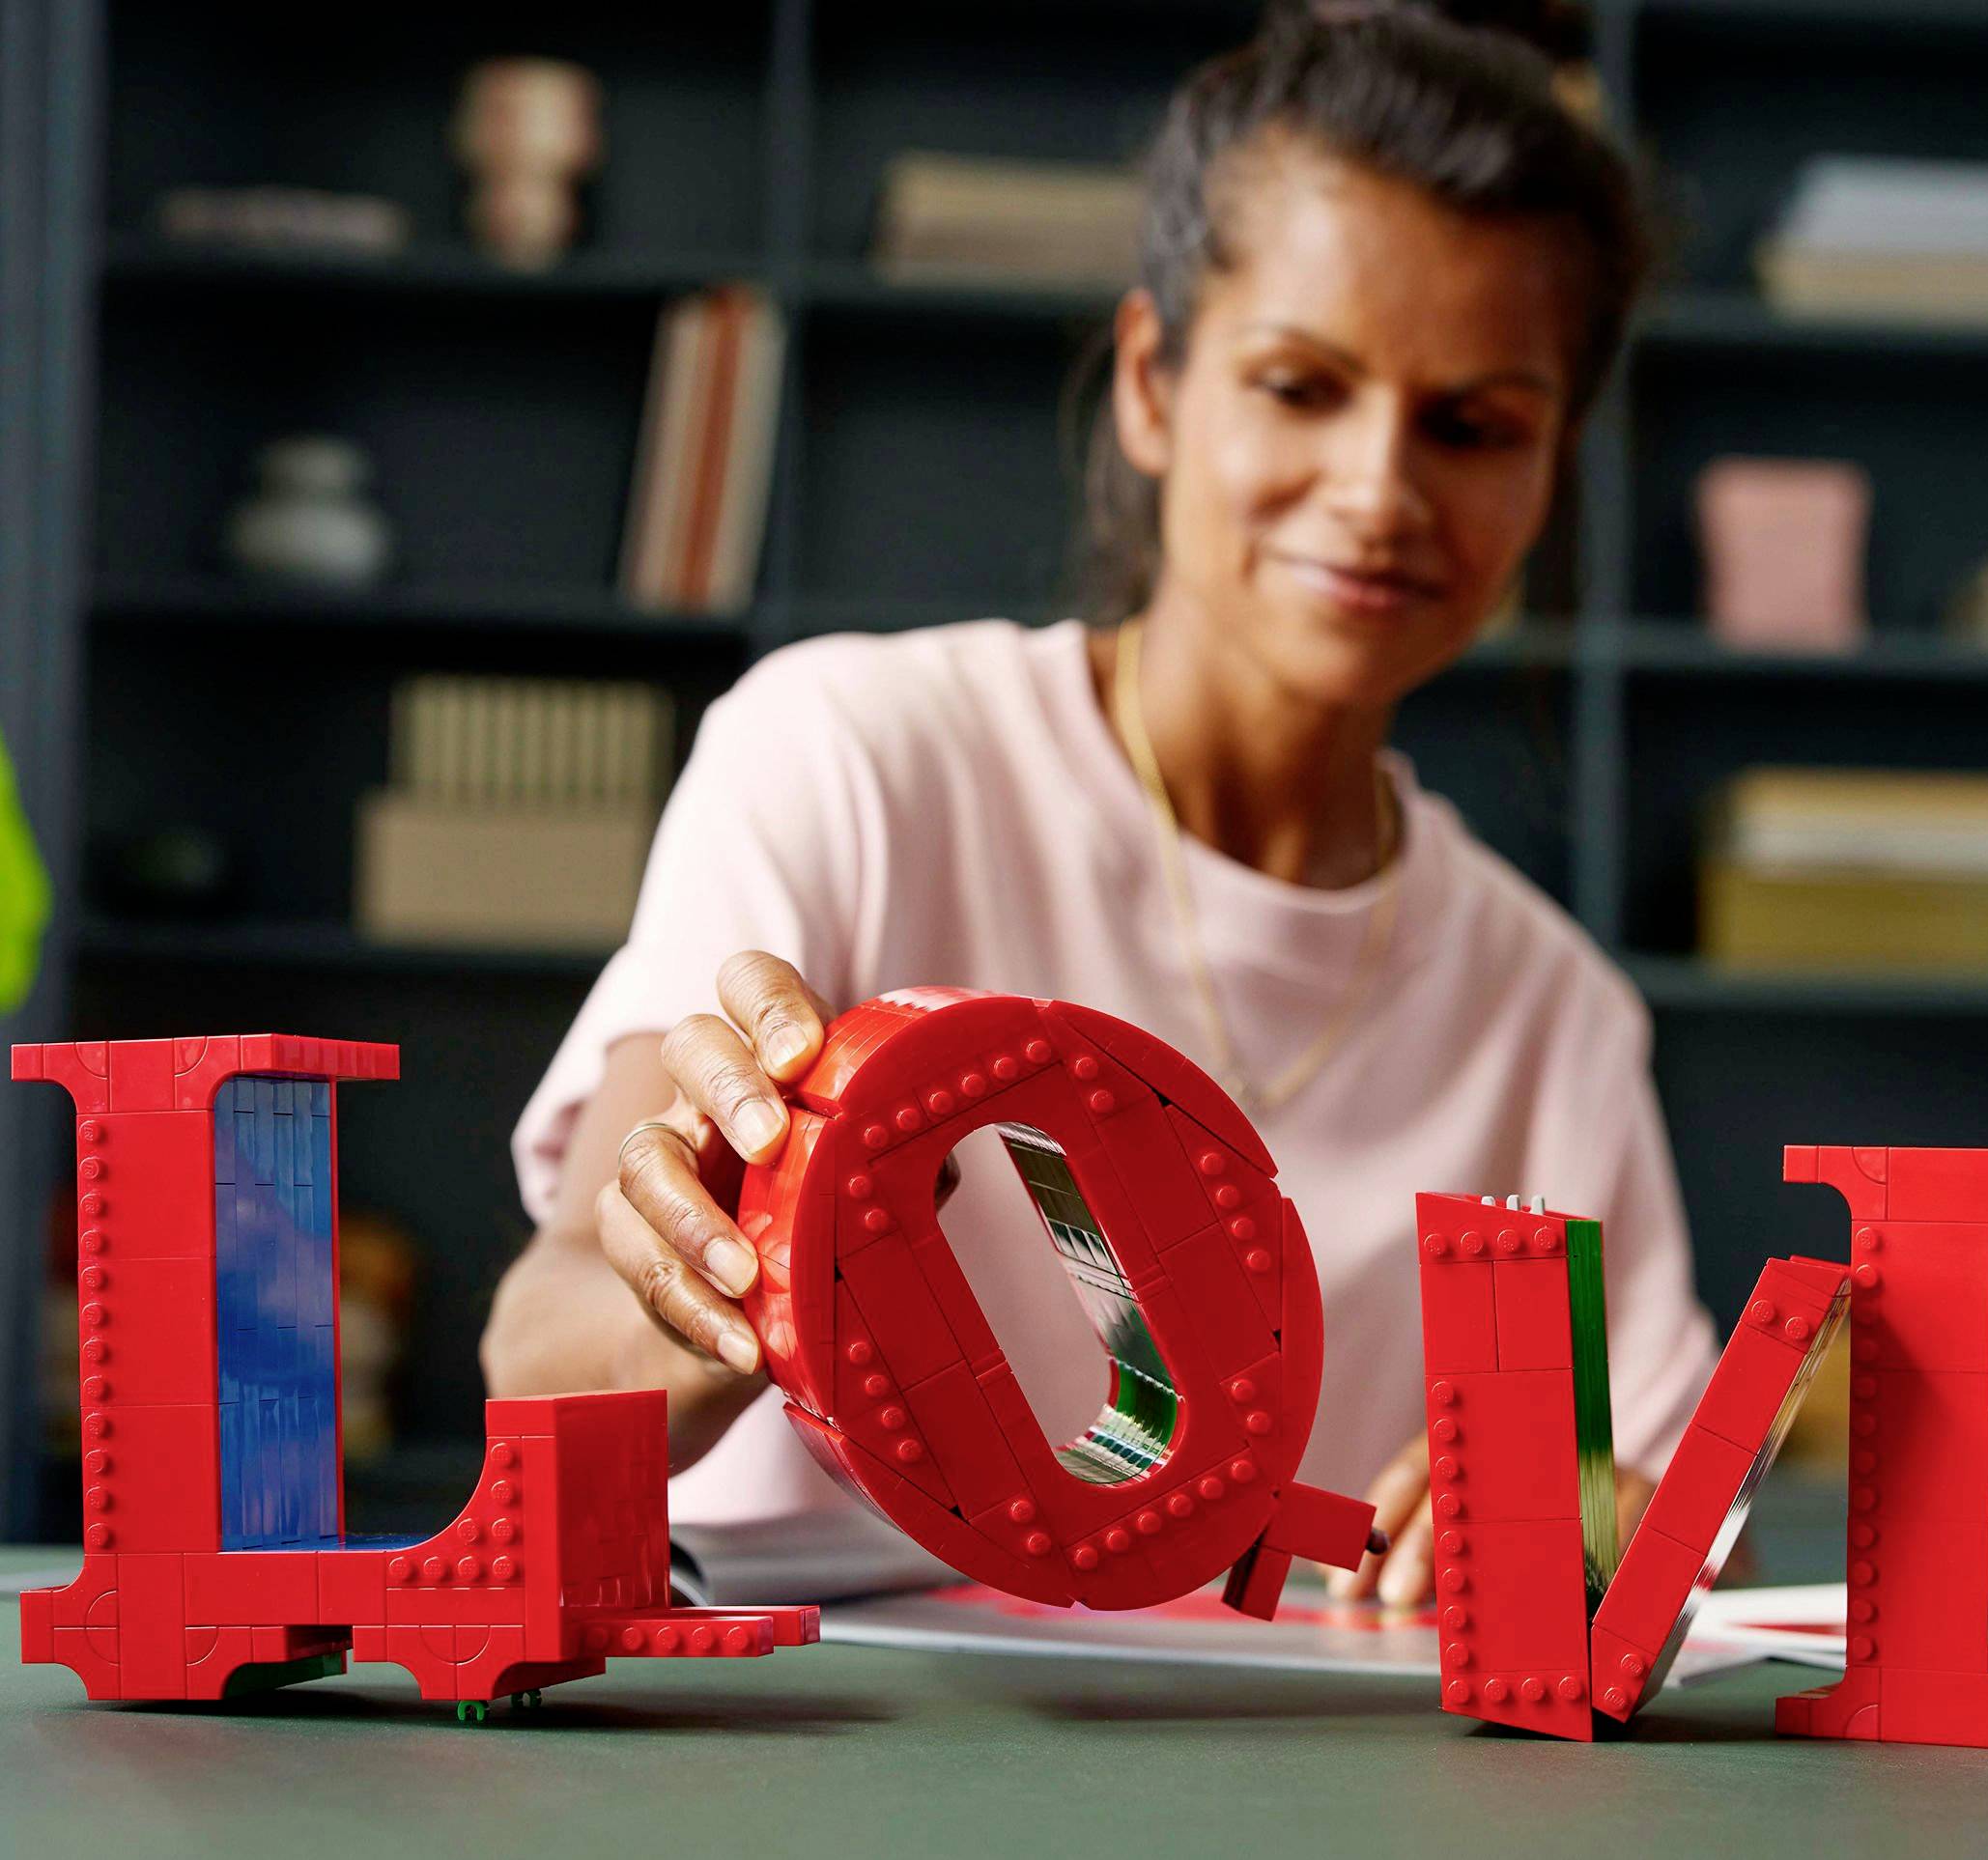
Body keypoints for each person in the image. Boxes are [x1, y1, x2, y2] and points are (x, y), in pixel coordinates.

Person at [485, 0, 1718, 1610]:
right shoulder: (852, 758)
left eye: (1474, 426)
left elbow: (1652, 1515)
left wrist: (1594, 1517)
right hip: (839, 1775)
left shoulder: (1553, 1012)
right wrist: (699, 1293)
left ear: (1553, 466)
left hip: (1285, 1812)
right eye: (1300, 386)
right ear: (1154, 382)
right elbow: (538, 1353)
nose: (1379, 492)